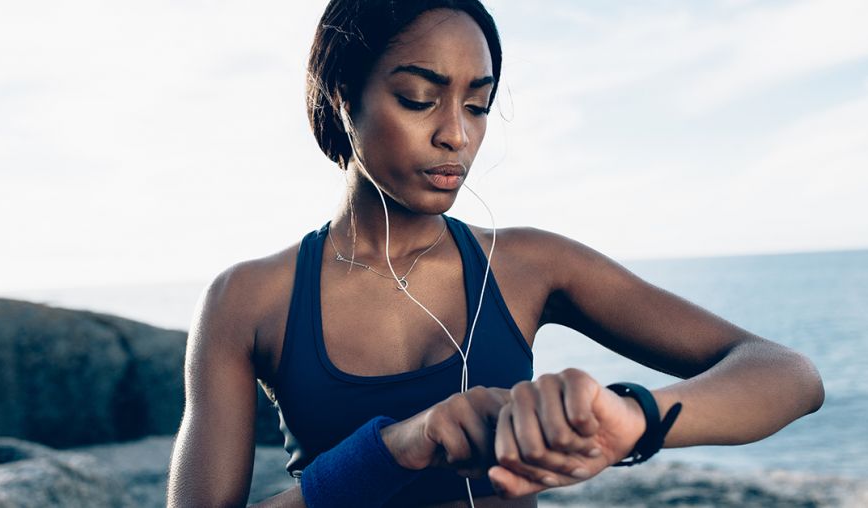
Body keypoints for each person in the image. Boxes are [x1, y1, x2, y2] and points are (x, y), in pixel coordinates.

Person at [166, 1, 825, 507]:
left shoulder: (531, 266)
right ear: (343, 98)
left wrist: (634, 418)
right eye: (418, 98)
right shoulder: (248, 300)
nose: (455, 134)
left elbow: (788, 375)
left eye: (478, 106)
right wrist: (402, 445)